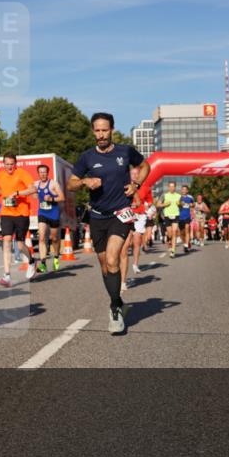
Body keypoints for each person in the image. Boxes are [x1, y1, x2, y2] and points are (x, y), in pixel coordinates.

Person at [67, 112, 149, 335]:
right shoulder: (86, 157)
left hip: (120, 214)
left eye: (105, 130)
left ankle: (114, 309)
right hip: (96, 217)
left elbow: (145, 166)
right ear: (93, 131)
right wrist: (84, 181)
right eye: (97, 130)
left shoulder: (125, 151)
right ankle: (119, 301)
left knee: (113, 259)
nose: (101, 134)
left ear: (112, 129)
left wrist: (137, 185)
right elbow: (71, 184)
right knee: (105, 266)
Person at [0, 153, 37, 287]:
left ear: (15, 164)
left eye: (12, 164)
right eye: (7, 164)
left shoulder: (22, 173)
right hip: (6, 212)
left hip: (21, 213)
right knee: (6, 240)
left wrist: (17, 193)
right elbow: (2, 189)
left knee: (19, 244)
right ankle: (7, 276)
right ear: (3, 164)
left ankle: (31, 261)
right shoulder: (0, 175)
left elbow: (33, 189)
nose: (9, 166)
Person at [32, 164, 65, 273]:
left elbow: (62, 197)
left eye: (44, 172)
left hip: (53, 213)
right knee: (41, 237)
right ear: (38, 173)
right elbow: (31, 193)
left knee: (54, 238)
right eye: (41, 172)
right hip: (42, 213)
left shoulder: (53, 184)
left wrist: (51, 198)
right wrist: (34, 195)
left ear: (48, 173)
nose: (43, 174)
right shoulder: (36, 184)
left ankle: (56, 258)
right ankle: (43, 264)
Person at [156, 181, 182, 258]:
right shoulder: (164, 195)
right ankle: (169, 240)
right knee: (170, 233)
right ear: (168, 187)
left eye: (173, 186)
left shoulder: (179, 196)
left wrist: (180, 204)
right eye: (170, 186)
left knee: (174, 232)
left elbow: (182, 205)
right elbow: (158, 204)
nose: (171, 188)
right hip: (167, 216)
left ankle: (173, 251)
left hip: (176, 215)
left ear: (175, 187)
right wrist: (164, 204)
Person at [178, 185, 194, 252]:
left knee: (187, 230)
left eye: (185, 189)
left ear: (187, 191)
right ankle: (185, 243)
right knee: (181, 233)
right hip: (180, 217)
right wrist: (180, 204)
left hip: (187, 216)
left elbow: (193, 204)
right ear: (181, 190)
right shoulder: (179, 197)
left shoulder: (190, 197)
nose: (184, 191)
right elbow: (176, 204)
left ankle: (186, 246)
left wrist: (191, 205)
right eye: (183, 189)